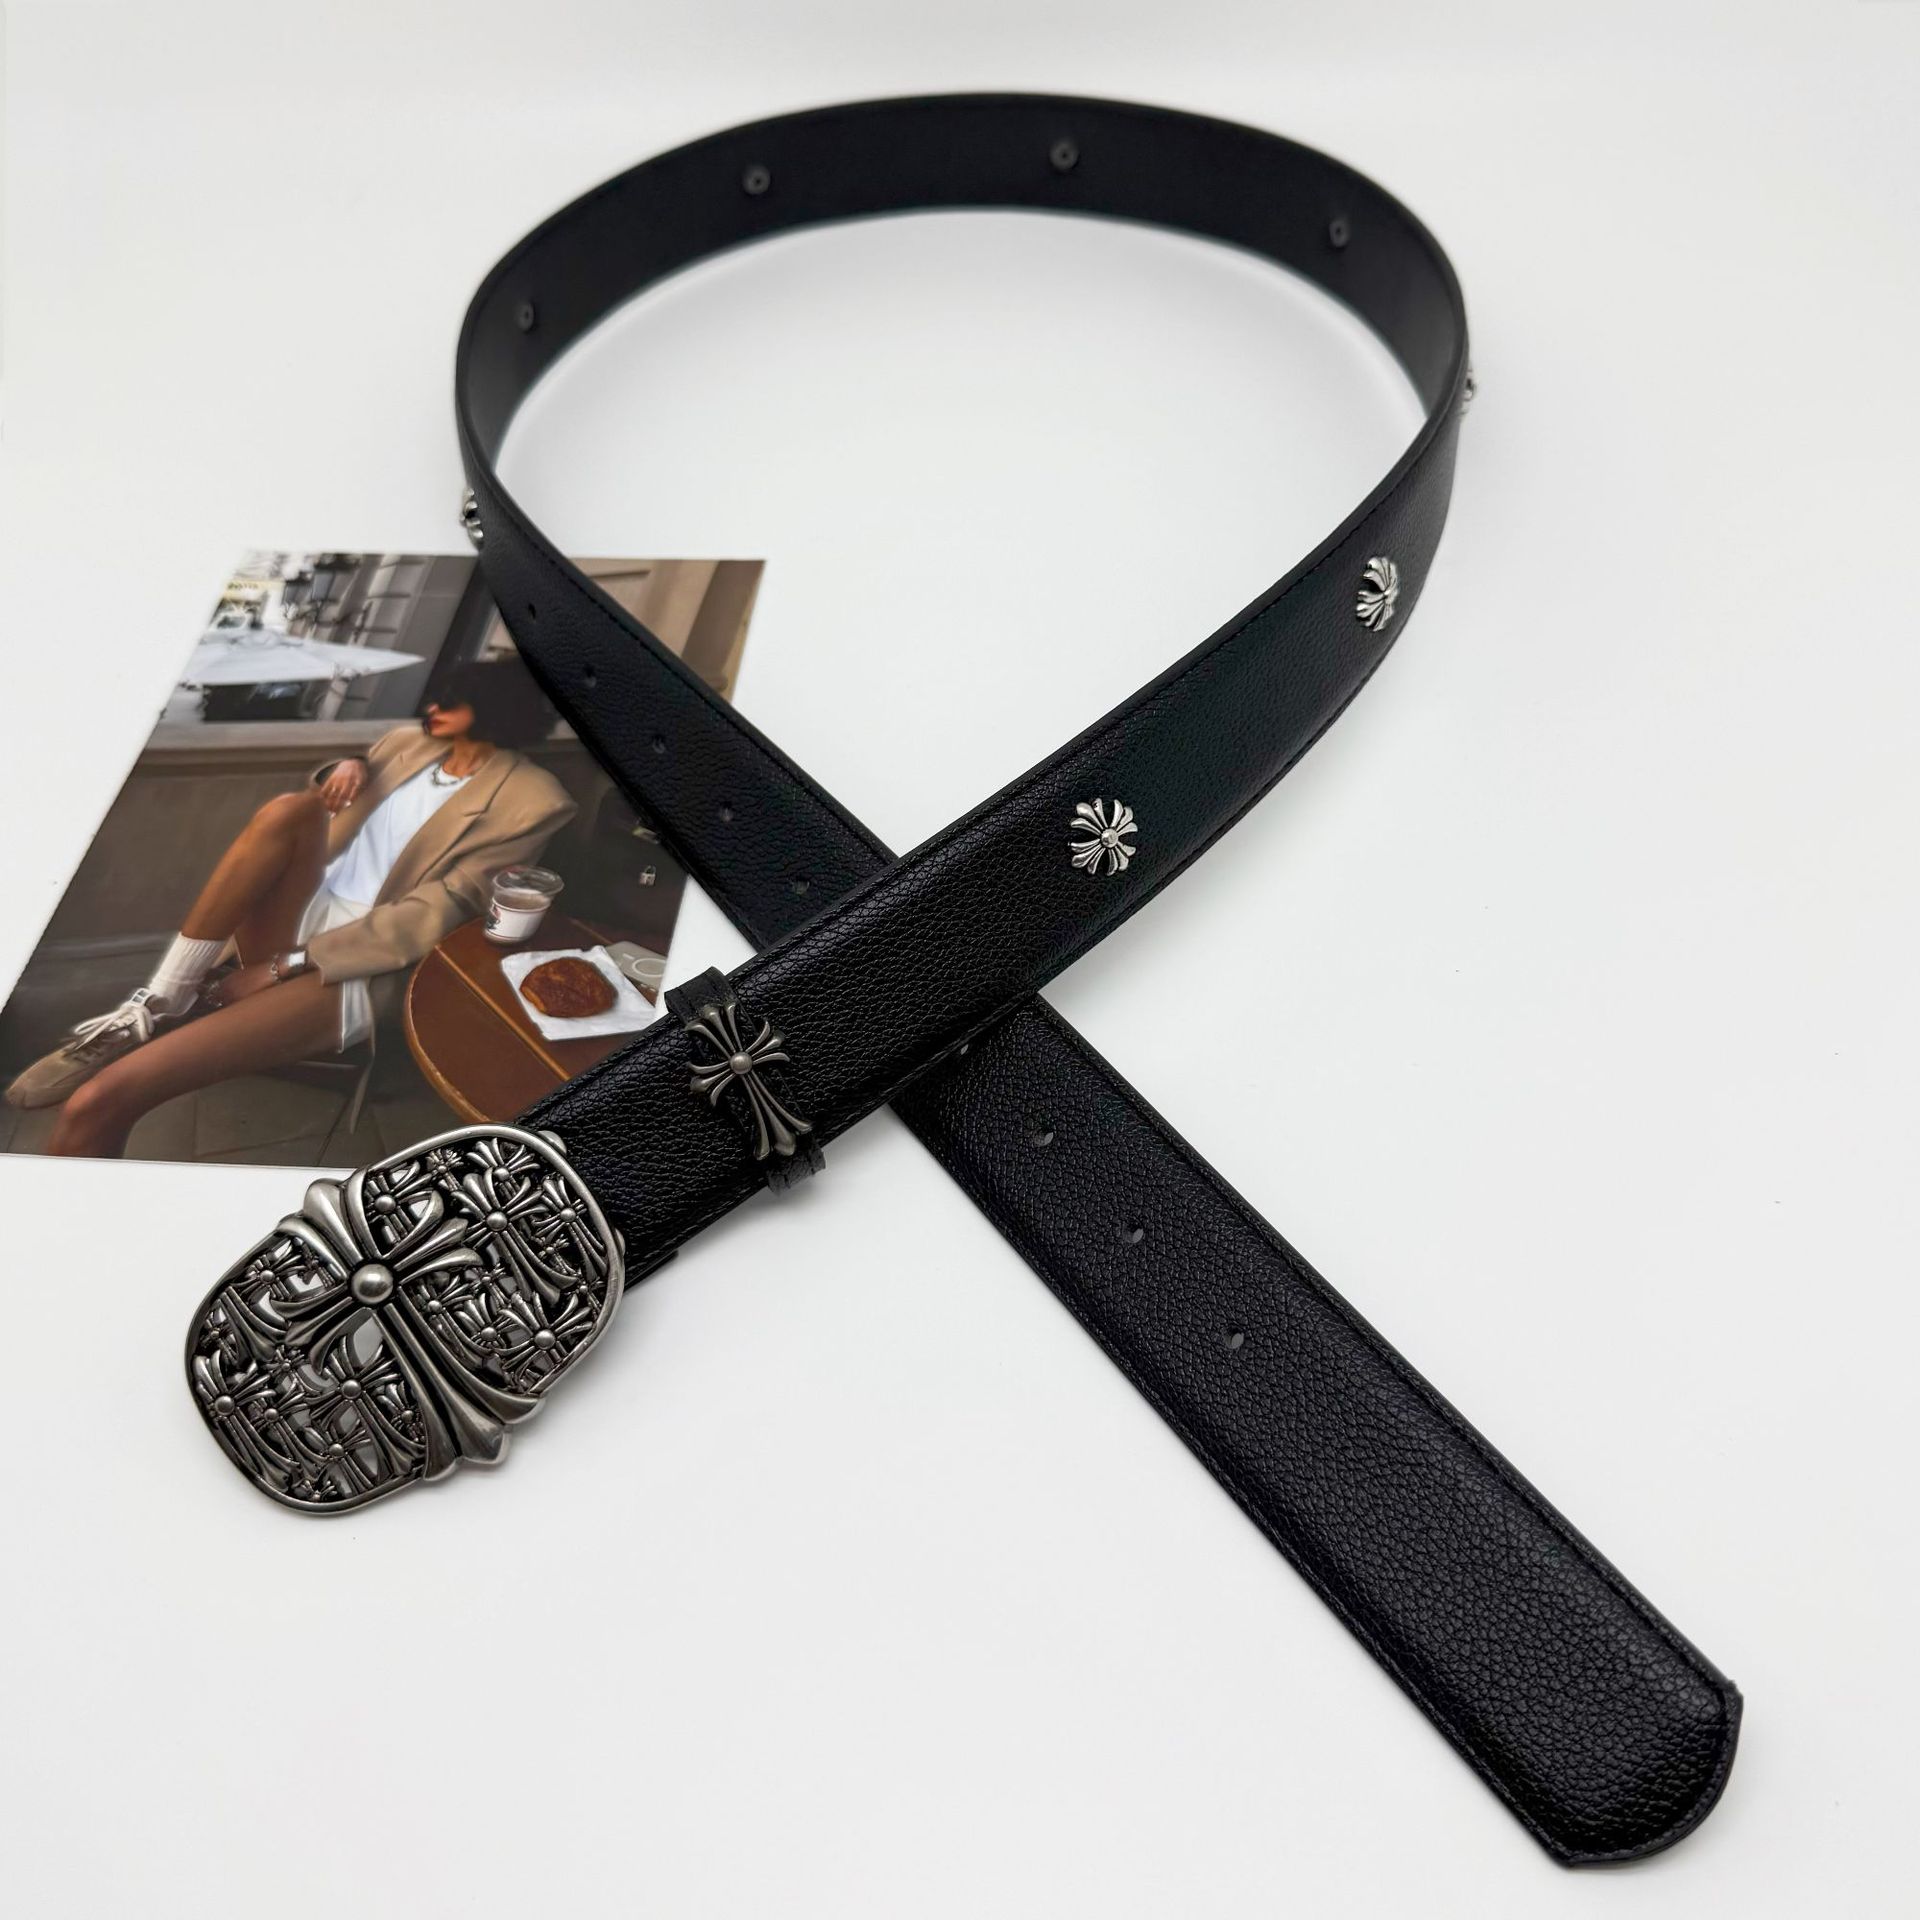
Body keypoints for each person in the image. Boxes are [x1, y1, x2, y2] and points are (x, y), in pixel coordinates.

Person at [6, 657, 577, 1156]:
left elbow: (442, 907)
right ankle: (161, 1000)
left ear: (496, 710)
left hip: (362, 958)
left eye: (449, 702)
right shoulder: (409, 744)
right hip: (307, 905)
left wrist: (286, 965)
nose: (432, 708)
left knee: (96, 1102)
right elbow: (336, 789)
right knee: (287, 809)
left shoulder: (534, 801)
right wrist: (346, 766)